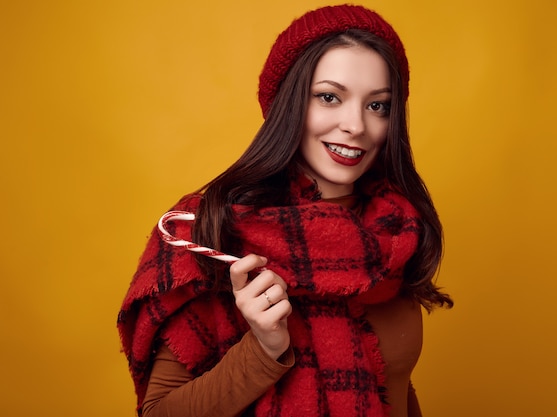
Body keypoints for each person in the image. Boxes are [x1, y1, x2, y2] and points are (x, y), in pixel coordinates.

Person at [118, 4, 453, 417]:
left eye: (377, 105)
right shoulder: (213, 231)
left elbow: (393, 388)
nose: (356, 125)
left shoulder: (397, 232)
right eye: (329, 97)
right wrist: (262, 348)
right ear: (288, 103)